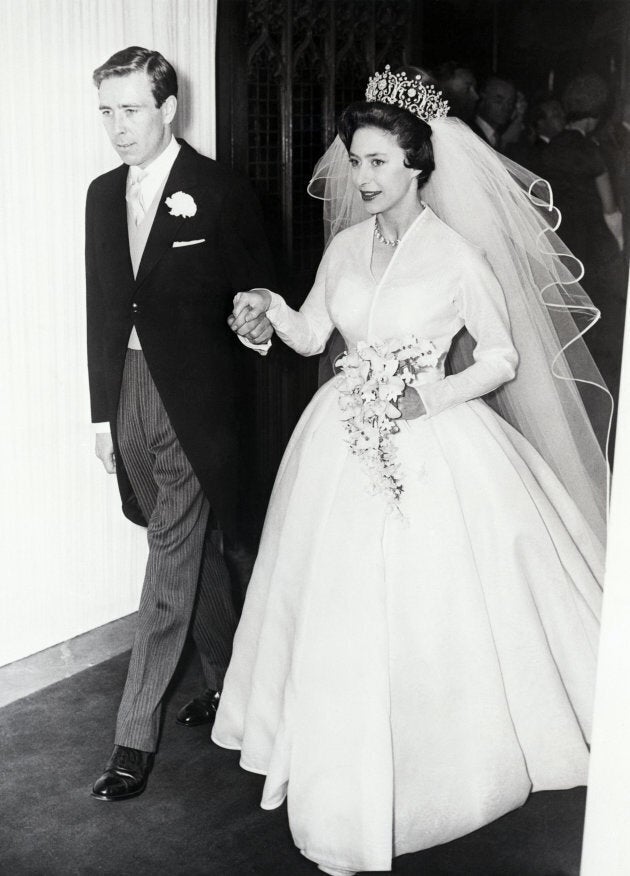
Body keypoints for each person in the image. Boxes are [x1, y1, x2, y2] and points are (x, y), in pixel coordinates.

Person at [212, 67, 609, 874]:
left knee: (433, 607)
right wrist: (264, 310)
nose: (361, 177)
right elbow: (311, 331)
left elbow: (499, 358)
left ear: (418, 165)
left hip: (433, 443)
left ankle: (441, 767)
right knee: (335, 602)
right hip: (340, 441)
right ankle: (338, 758)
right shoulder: (347, 248)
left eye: (379, 161)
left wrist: (429, 398)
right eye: (355, 159)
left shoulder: (459, 255)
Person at [86, 46, 274, 801]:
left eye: (131, 110)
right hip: (128, 386)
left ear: (169, 109)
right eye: (107, 111)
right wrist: (101, 415)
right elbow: (102, 309)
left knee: (167, 558)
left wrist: (256, 311)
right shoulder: (102, 195)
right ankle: (230, 682)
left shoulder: (218, 188)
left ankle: (133, 737)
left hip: (196, 400)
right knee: (179, 538)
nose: (118, 127)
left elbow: (260, 281)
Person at [537, 73, 626, 401]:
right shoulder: (591, 150)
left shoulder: (552, 147)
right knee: (602, 325)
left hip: (561, 245)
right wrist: (619, 249)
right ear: (599, 113)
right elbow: (610, 210)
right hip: (593, 246)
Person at [470, 75, 516, 150]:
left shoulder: (505, 135)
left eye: (510, 102)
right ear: (482, 98)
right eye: (499, 101)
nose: (506, 108)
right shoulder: (469, 132)